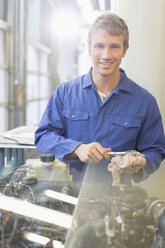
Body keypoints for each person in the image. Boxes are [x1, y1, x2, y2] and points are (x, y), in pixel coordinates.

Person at [35, 12, 165, 185]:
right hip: (68, 195)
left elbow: (155, 150)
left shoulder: (144, 102)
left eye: (114, 46)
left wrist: (142, 162)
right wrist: (77, 148)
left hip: (118, 199)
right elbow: (44, 136)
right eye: (99, 46)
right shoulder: (65, 92)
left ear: (124, 50)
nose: (106, 55)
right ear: (89, 48)